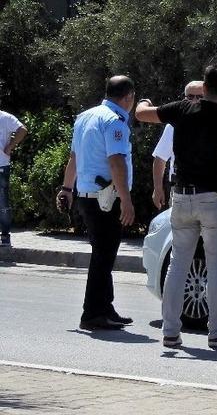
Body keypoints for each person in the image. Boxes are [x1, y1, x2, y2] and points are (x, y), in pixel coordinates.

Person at [135, 64, 217, 349]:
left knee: (178, 265)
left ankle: (171, 332)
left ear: (205, 87)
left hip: (181, 197)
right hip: (212, 198)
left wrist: (143, 102)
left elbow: (141, 114)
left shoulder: (181, 109)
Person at [56, 76, 136, 331]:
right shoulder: (115, 121)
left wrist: (67, 188)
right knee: (103, 257)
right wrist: (126, 200)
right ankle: (92, 314)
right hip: (106, 199)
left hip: (87, 196)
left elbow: (74, 157)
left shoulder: (85, 116)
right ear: (128, 97)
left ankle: (105, 307)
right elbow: (116, 162)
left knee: (103, 254)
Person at [151, 81, 204, 209]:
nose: (195, 100)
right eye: (190, 97)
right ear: (184, 99)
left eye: (200, 97)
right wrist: (158, 188)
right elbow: (160, 159)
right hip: (180, 193)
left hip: (209, 193)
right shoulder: (173, 126)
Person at [0, 108, 27, 247]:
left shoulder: (5, 117)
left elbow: (22, 129)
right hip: (2, 165)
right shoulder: (6, 117)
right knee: (2, 202)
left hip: (1, 165)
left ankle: (5, 236)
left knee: (3, 202)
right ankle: (4, 236)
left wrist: (10, 146)